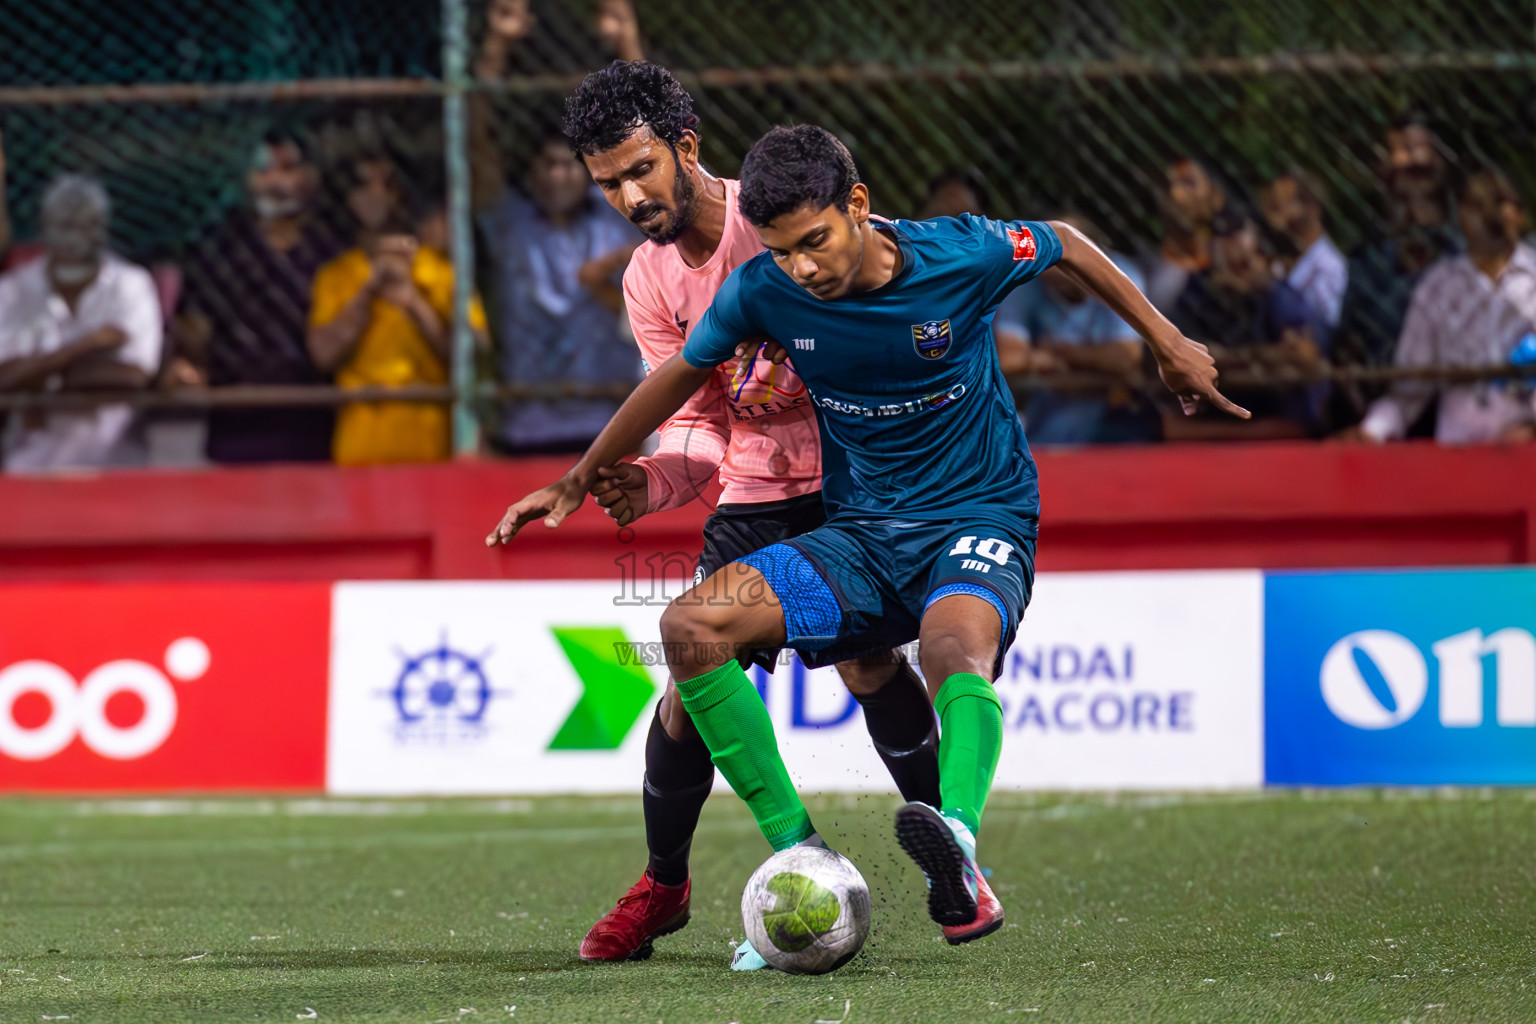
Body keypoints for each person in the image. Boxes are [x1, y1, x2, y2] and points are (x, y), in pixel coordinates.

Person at [488, 125, 1243, 953]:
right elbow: (679, 379)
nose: (803, 268)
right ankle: (801, 851)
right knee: (688, 630)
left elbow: (1063, 242)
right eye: (784, 252)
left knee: (953, 647)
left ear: (858, 205)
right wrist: (582, 472)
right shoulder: (761, 288)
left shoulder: (961, 253)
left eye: (814, 243)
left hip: (977, 515)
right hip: (859, 535)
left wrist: (1167, 343)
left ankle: (955, 841)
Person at [554, 61, 942, 967]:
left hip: (852, 481)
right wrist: (653, 483)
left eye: (641, 168)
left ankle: (949, 855)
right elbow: (701, 420)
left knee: (870, 660)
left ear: (685, 148)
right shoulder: (647, 282)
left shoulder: (774, 213)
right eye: (608, 182)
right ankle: (665, 887)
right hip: (757, 492)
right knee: (691, 685)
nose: (628, 194)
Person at [178, 129, 342, 463]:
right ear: (246, 178)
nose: (276, 183)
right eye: (264, 171)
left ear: (310, 176)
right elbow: (194, 330)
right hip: (237, 422)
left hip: (316, 421)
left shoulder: (333, 247)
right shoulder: (218, 249)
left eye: (288, 169)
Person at [308, 155, 482, 465]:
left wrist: (413, 300)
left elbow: (473, 353)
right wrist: (368, 292)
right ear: (347, 198)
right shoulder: (337, 275)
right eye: (364, 184)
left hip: (429, 433)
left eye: (386, 184)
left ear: (401, 192)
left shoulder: (439, 270)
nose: (376, 194)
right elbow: (323, 355)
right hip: (361, 434)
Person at [477, 132, 642, 453]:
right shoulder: (511, 223)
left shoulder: (618, 219)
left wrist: (613, 262)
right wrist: (482, 94)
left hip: (609, 417)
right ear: (531, 173)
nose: (556, 175)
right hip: (528, 420)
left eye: (568, 165)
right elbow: (480, 165)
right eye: (547, 164)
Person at [1355, 170, 1536, 445]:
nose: (1488, 215)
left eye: (1498, 202)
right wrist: (1371, 432)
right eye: (1475, 204)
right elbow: (1409, 391)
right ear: (1461, 217)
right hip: (1459, 455)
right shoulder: (1437, 288)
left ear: (1520, 215)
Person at [0, 175, 160, 472]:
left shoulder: (130, 285)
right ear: (45, 226)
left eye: (86, 225)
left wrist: (38, 381)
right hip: (30, 464)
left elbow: (132, 376)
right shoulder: (12, 290)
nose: (74, 236)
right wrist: (88, 346)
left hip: (116, 462)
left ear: (102, 228)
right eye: (64, 224)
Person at [994, 214, 1157, 444]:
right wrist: (1094, 365)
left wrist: (1058, 355)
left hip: (1111, 412)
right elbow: (1010, 359)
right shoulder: (1024, 280)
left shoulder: (1119, 274)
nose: (1055, 259)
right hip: (1046, 406)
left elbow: (1125, 358)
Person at [1166, 208, 1324, 440]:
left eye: (1237, 236)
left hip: (1269, 409)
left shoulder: (1276, 293)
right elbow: (1179, 352)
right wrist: (1259, 356)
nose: (1231, 245)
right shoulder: (1198, 292)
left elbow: (1304, 357)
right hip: (1214, 411)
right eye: (1223, 238)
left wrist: (1235, 357)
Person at [1334, 113, 1461, 370]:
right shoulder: (1370, 250)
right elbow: (1354, 326)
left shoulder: (1465, 240)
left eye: (1414, 148)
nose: (1405, 160)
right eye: (1396, 150)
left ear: (1439, 157)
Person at [1260, 169, 1347, 338]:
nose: (1277, 213)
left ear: (1313, 207)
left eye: (1285, 203)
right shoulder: (1277, 254)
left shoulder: (1330, 265)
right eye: (1275, 204)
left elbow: (1325, 326)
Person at [1144, 156, 1230, 315]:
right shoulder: (1157, 252)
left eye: (1188, 182)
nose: (1173, 190)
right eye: (1167, 182)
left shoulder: (1190, 284)